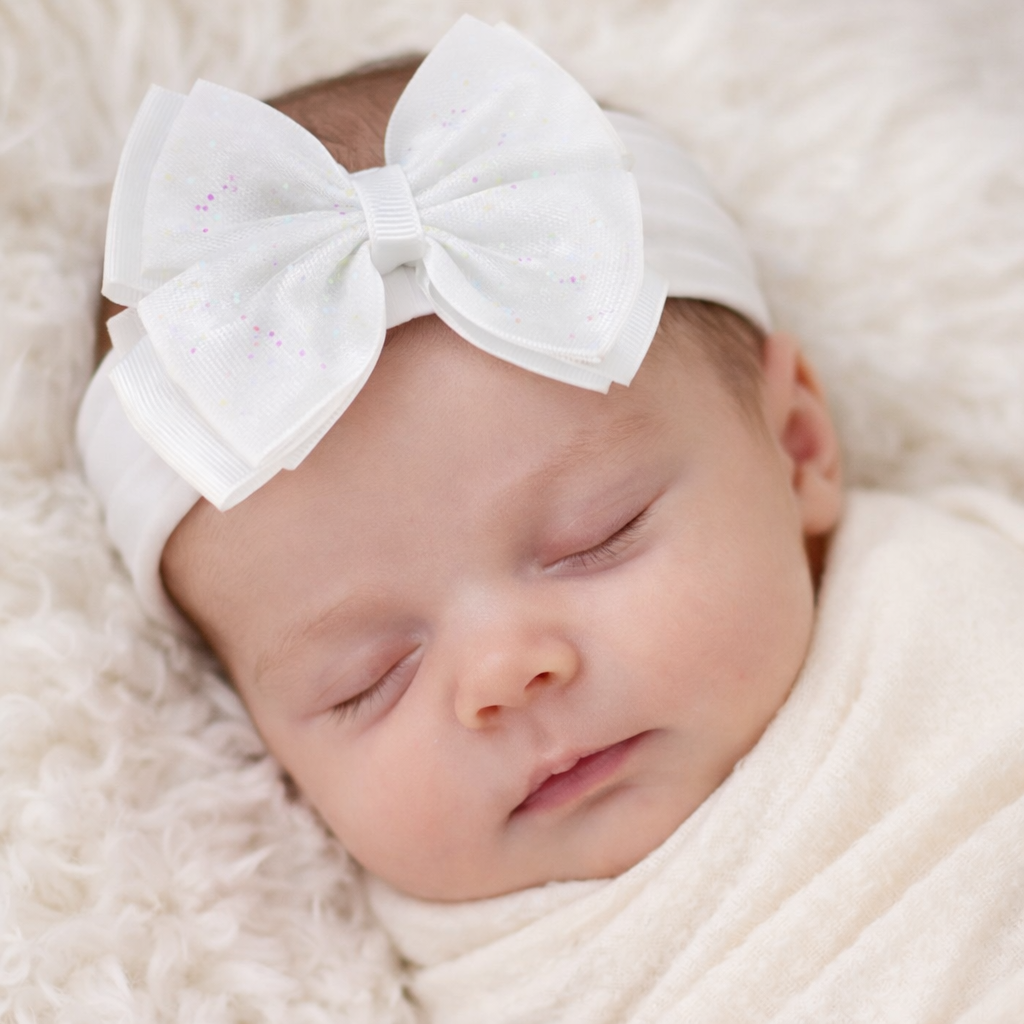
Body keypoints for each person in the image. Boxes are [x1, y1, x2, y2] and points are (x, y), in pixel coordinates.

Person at [78, 16, 1024, 1022]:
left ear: (797, 447)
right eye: (369, 678)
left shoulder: (952, 605)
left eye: (595, 539)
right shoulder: (356, 974)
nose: (504, 673)